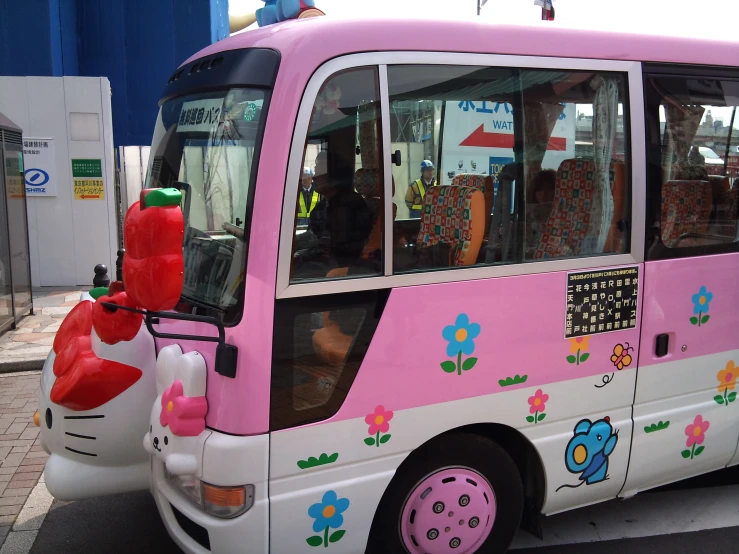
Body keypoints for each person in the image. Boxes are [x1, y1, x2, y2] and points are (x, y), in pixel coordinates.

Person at [526, 169, 557, 256]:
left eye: (549, 189)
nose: (543, 193)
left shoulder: (560, 218)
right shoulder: (528, 217)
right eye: (539, 189)